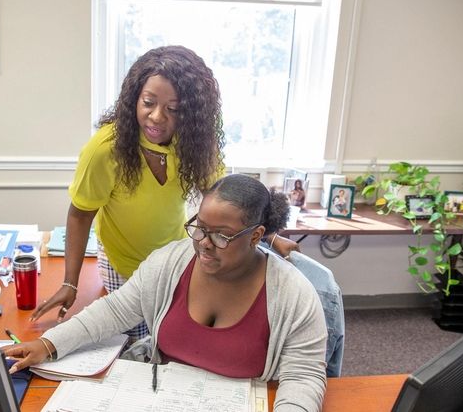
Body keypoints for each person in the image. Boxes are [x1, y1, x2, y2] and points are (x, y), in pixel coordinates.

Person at [31, 46, 298, 340]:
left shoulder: (193, 144)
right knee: (136, 341)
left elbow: (227, 202)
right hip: (124, 261)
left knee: (173, 336)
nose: (157, 116)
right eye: (148, 102)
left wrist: (269, 237)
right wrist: (70, 283)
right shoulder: (105, 149)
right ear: (134, 98)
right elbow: (80, 215)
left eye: (173, 109)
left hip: (174, 255)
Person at [5, 174, 327, 411]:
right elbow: (115, 310)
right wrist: (49, 343)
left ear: (256, 235)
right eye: (199, 227)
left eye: (222, 236)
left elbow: (304, 378)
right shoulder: (171, 262)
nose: (203, 243)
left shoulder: (293, 295)